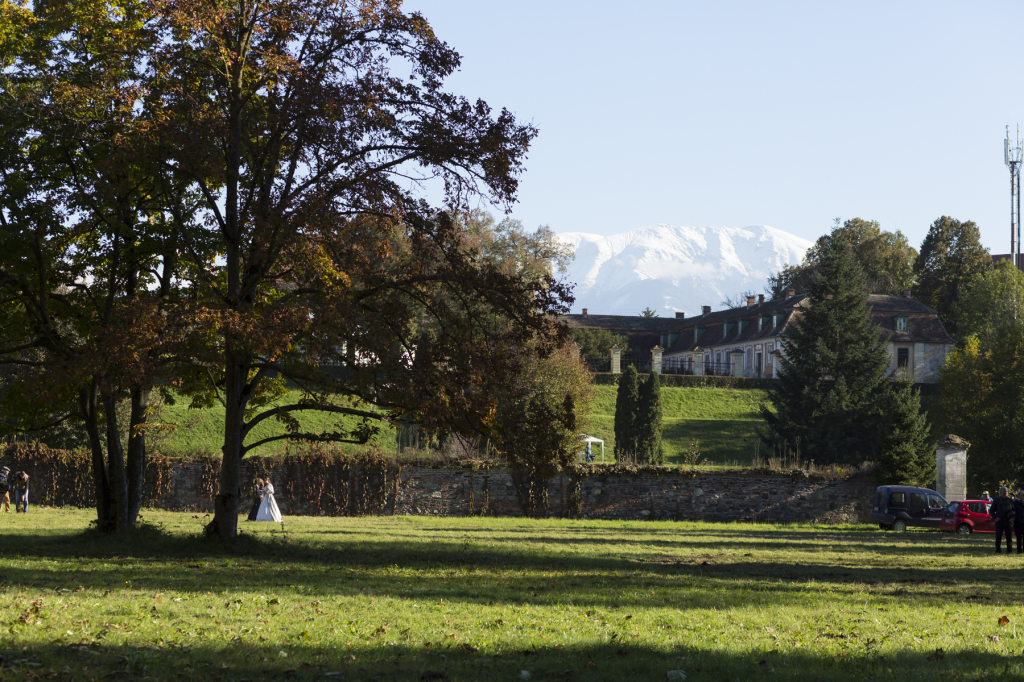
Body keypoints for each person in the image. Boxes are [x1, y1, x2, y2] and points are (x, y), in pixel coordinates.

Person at [990, 486, 1015, 554]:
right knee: (998, 536)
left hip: (1008, 521)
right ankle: (998, 550)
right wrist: (995, 517)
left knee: (1009, 537)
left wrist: (1013, 517)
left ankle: (1009, 551)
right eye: (1004, 491)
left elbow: (1014, 510)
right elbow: (991, 511)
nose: (1006, 493)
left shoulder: (1010, 501)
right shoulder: (997, 500)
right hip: (999, 521)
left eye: (1007, 491)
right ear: (1000, 492)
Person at [1013, 491, 1024, 555]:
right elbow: (1013, 511)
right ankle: (1019, 550)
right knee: (1019, 538)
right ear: (1019, 495)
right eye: (1023, 494)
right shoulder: (1015, 503)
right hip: (1018, 522)